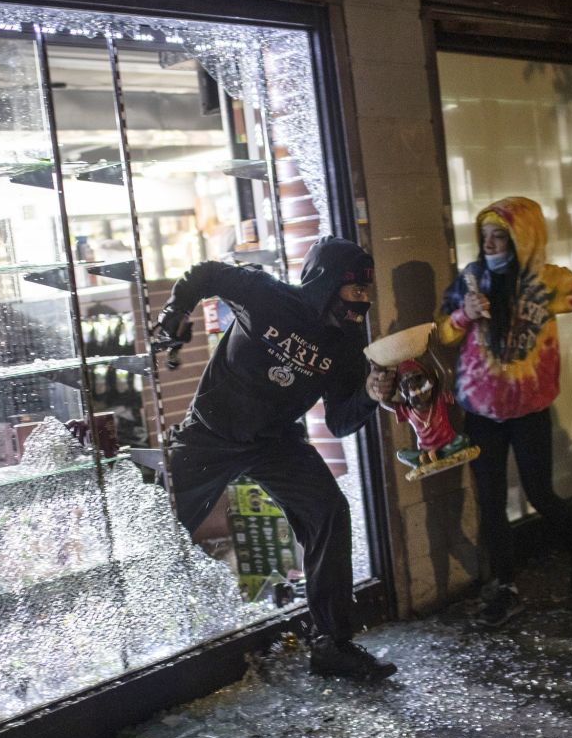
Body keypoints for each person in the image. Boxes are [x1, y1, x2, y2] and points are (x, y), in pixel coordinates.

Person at [153, 236, 397, 681]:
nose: (362, 301)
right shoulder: (267, 294)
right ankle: (150, 636)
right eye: (354, 291)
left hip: (275, 442)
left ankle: (332, 645)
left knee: (328, 512)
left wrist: (368, 395)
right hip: (211, 433)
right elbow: (205, 273)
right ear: (325, 282)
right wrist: (176, 310)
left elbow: (340, 421)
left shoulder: (346, 344)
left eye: (367, 292)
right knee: (158, 523)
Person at [439, 196, 572, 627]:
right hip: (481, 409)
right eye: (486, 236)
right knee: (491, 500)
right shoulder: (472, 280)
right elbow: (443, 331)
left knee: (539, 491)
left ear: (522, 239)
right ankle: (506, 588)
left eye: (501, 236)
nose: (491, 244)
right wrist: (463, 314)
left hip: (529, 407)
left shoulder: (547, 282)